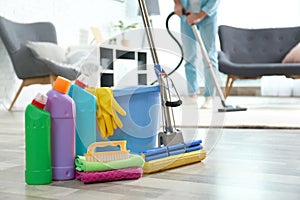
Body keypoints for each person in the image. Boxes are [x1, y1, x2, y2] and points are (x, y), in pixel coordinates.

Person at [173, 0, 221, 108]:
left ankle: (209, 97)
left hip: (208, 16)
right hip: (187, 15)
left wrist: (199, 15)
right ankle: (192, 95)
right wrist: (177, 4)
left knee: (209, 56)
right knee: (189, 56)